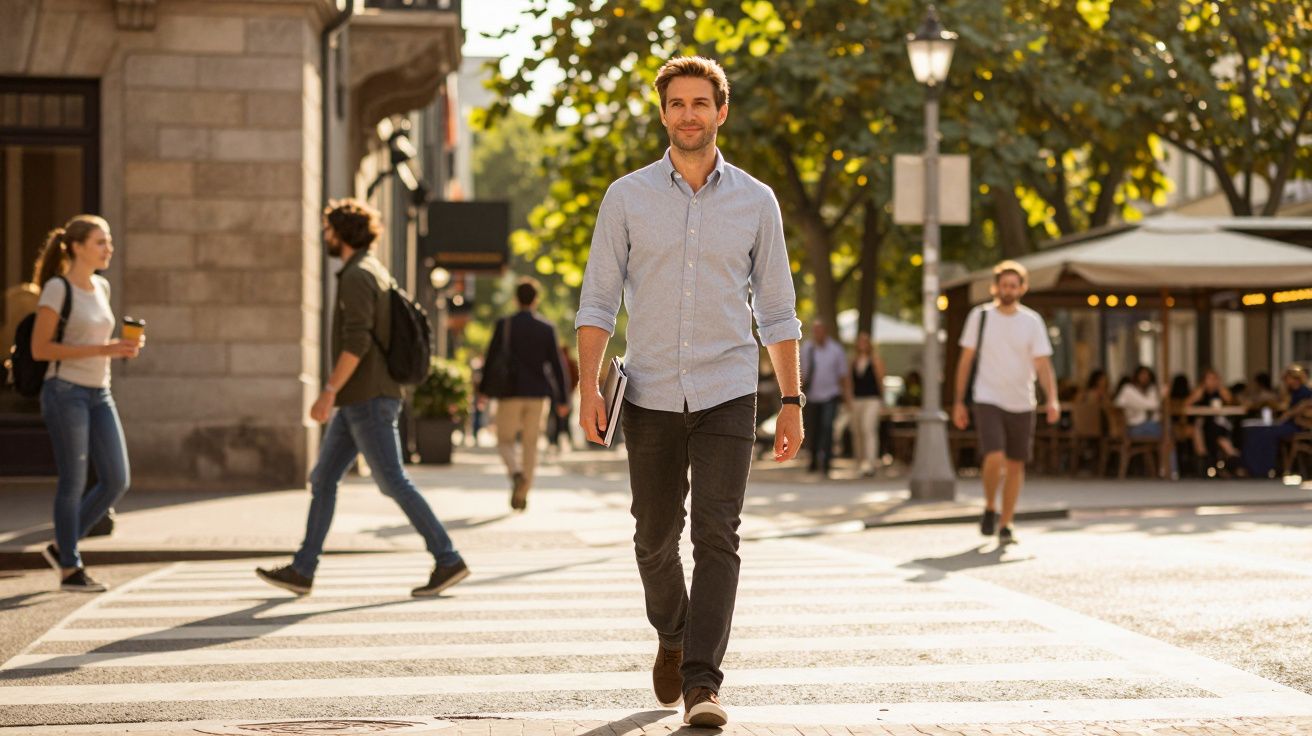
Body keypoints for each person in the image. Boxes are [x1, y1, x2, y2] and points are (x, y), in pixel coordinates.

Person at [574, 56, 802, 728]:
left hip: (730, 388)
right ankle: (671, 635)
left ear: (721, 111)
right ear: (663, 111)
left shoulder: (757, 201)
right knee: (652, 536)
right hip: (647, 391)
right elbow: (597, 299)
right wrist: (588, 385)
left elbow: (780, 309)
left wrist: (791, 402)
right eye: (677, 103)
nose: (689, 114)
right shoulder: (627, 196)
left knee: (717, 535)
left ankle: (703, 684)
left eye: (700, 103)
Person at [257, 199, 467, 598]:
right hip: (361, 398)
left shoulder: (357, 275)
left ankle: (447, 557)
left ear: (341, 233)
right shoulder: (372, 268)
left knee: (393, 482)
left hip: (367, 397)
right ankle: (303, 569)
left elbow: (356, 341)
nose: (325, 237)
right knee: (323, 478)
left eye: (328, 230)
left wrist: (328, 391)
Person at [29, 216, 141, 593]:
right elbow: (40, 349)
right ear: (76, 247)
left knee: (116, 479)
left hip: (99, 391)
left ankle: (63, 544)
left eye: (108, 242)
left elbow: (95, 338)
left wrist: (121, 348)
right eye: (100, 242)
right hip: (65, 391)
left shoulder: (101, 286)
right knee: (73, 481)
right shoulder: (57, 290)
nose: (108, 249)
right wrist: (105, 348)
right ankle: (70, 567)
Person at [951, 260, 1059, 546]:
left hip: (1022, 400)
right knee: (994, 455)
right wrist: (959, 401)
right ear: (995, 287)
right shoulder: (980, 316)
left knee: (1015, 464)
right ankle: (989, 504)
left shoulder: (1031, 321)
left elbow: (1042, 364)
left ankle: (1006, 522)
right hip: (988, 396)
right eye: (1003, 284)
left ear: (1022, 288)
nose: (1008, 290)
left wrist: (1053, 399)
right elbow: (966, 361)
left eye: (1014, 285)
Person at [480, 278, 571, 510]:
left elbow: (491, 360)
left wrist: (483, 392)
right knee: (531, 444)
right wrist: (563, 398)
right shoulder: (546, 328)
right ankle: (524, 491)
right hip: (538, 395)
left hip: (509, 394)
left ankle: (515, 472)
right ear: (536, 300)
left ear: (515, 299)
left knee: (504, 440)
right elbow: (557, 365)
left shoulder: (505, 325)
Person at [800, 320, 849, 476]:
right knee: (812, 429)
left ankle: (826, 462)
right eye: (815, 330)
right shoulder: (806, 348)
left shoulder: (836, 350)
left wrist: (847, 396)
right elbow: (799, 372)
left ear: (825, 332)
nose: (818, 334)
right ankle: (813, 460)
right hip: (811, 396)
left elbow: (843, 375)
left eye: (820, 330)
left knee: (827, 427)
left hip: (830, 395)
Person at [849, 331, 886, 477]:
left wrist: (883, 402)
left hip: (872, 399)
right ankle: (860, 462)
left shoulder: (876, 360)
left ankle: (870, 463)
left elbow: (880, 381)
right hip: (857, 399)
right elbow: (850, 382)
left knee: (868, 428)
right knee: (857, 431)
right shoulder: (853, 361)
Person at [1187, 368, 1240, 464]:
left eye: (1215, 378)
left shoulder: (1221, 391)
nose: (1212, 381)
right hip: (1204, 422)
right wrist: (1201, 389)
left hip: (1221, 421)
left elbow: (1232, 402)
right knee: (1200, 428)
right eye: (1209, 379)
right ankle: (1209, 458)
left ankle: (1223, 457)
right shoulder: (1200, 392)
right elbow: (1186, 405)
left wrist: (1220, 388)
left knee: (1215, 429)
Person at [546, 341, 581, 455]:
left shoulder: (571, 364)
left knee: (565, 420)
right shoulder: (555, 364)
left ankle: (565, 442)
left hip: (567, 395)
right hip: (556, 396)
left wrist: (571, 390)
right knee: (555, 419)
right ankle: (554, 442)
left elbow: (576, 378)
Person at [1114, 366, 1164, 438]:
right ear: (1137, 375)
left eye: (1148, 375)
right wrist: (1162, 395)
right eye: (1143, 374)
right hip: (1133, 427)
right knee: (1164, 431)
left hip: (1149, 424)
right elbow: (1152, 405)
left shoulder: (1150, 391)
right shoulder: (1129, 390)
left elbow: (1155, 408)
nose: (1145, 377)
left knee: (1166, 429)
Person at [1275, 364, 1312, 439]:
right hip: (1292, 424)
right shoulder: (1292, 392)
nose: (1285, 381)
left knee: (1271, 432)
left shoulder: (1304, 392)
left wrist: (1286, 415)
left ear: (1296, 379)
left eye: (1286, 378)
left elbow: (1297, 411)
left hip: (1300, 426)